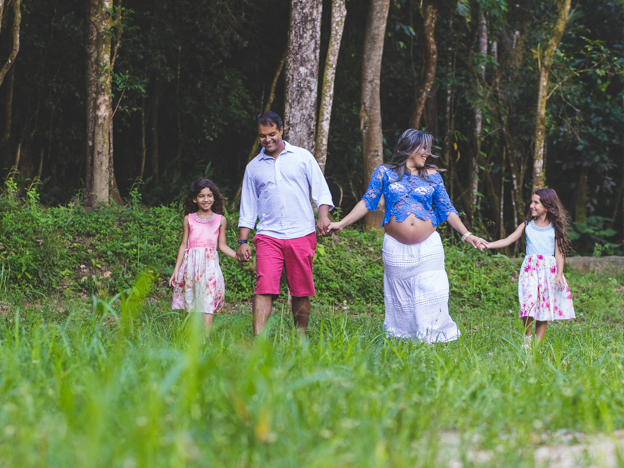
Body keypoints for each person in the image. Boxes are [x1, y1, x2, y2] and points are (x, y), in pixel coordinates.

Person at [328, 129, 487, 343]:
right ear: (410, 146)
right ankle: (404, 337)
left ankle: (435, 338)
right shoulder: (384, 172)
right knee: (400, 296)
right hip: (395, 247)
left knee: (433, 289)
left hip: (428, 246)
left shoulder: (432, 176)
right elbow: (368, 201)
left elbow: (446, 208)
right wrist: (341, 223)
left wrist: (467, 235)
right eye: (424, 148)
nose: (428, 153)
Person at [237, 111, 334, 336]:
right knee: (264, 288)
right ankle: (258, 342)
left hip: (301, 233)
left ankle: (301, 337)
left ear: (281, 130)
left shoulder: (302, 157)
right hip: (268, 235)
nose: (267, 139)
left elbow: (321, 191)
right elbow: (248, 207)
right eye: (262, 136)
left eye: (272, 134)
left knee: (300, 290)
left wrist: (323, 216)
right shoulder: (253, 167)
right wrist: (243, 240)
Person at [484, 188, 576, 346]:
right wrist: (487, 245)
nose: (531, 205)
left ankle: (537, 348)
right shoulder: (527, 225)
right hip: (530, 271)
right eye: (531, 202)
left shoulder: (555, 228)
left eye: (536, 203)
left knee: (544, 309)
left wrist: (559, 274)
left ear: (547, 206)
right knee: (528, 304)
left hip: (549, 271)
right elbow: (507, 240)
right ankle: (527, 339)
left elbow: (560, 253)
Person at [169, 178, 237, 332]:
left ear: (214, 197)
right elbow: (183, 245)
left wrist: (237, 255)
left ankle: (206, 339)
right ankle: (190, 336)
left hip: (210, 266)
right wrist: (176, 270)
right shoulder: (189, 219)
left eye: (209, 195)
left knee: (208, 300)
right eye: (201, 196)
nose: (206, 199)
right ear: (194, 199)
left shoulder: (221, 220)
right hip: (191, 266)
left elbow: (223, 246)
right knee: (190, 299)